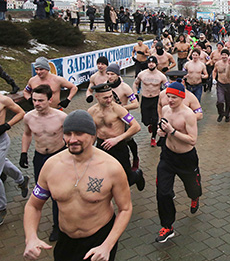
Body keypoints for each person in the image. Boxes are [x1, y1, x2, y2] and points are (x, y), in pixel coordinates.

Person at [23, 110, 132, 261]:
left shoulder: (111, 168)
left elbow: (125, 209)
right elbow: (33, 205)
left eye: (79, 133)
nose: (72, 139)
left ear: (93, 135)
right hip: (66, 240)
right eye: (68, 133)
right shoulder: (51, 166)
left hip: (99, 239)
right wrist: (31, 238)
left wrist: (108, 245)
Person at [155, 81, 201, 243]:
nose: (170, 100)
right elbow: (163, 127)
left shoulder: (188, 115)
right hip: (167, 156)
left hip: (186, 158)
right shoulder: (166, 110)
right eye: (168, 96)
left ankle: (195, 197)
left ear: (182, 97)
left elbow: (192, 140)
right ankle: (167, 226)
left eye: (174, 97)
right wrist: (161, 132)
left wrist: (172, 131)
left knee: (193, 188)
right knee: (163, 191)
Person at [21, 84, 67, 241]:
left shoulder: (61, 117)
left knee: (57, 193)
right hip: (40, 158)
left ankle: (58, 225)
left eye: (40, 100)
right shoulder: (28, 117)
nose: (36, 104)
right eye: (34, 100)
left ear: (50, 99)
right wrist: (23, 153)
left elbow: (70, 136)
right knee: (42, 191)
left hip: (58, 156)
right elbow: (27, 134)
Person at [88, 83, 145, 190]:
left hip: (118, 146)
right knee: (104, 175)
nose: (109, 100)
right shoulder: (91, 112)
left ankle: (137, 175)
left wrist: (116, 139)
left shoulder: (118, 109)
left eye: (111, 96)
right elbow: (93, 131)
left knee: (125, 178)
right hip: (102, 146)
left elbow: (136, 127)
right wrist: (89, 147)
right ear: (97, 97)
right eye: (105, 98)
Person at [105, 63, 141, 168]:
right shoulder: (104, 85)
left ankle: (135, 158)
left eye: (112, 74)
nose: (109, 77)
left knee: (128, 140)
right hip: (109, 118)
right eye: (108, 74)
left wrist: (121, 109)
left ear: (117, 75)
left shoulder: (125, 87)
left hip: (123, 119)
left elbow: (135, 104)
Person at [0, 94, 28, 225]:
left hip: (1, 142)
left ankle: (1, 208)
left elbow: (21, 113)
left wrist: (6, 125)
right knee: (3, 164)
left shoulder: (3, 99)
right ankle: (21, 180)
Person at [132, 56, 168, 147]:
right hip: (145, 99)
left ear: (156, 64)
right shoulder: (142, 74)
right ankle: (150, 125)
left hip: (156, 99)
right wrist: (135, 94)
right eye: (149, 62)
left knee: (155, 119)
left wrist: (166, 98)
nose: (151, 64)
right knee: (145, 120)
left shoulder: (161, 76)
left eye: (153, 62)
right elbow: (135, 83)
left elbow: (167, 87)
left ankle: (153, 138)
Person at [213, 49, 230, 122]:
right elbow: (214, 71)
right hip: (220, 84)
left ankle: (227, 115)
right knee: (220, 101)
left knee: (228, 102)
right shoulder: (217, 63)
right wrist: (213, 79)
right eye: (223, 55)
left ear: (228, 56)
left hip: (229, 85)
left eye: (225, 55)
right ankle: (221, 113)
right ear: (220, 55)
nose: (224, 56)